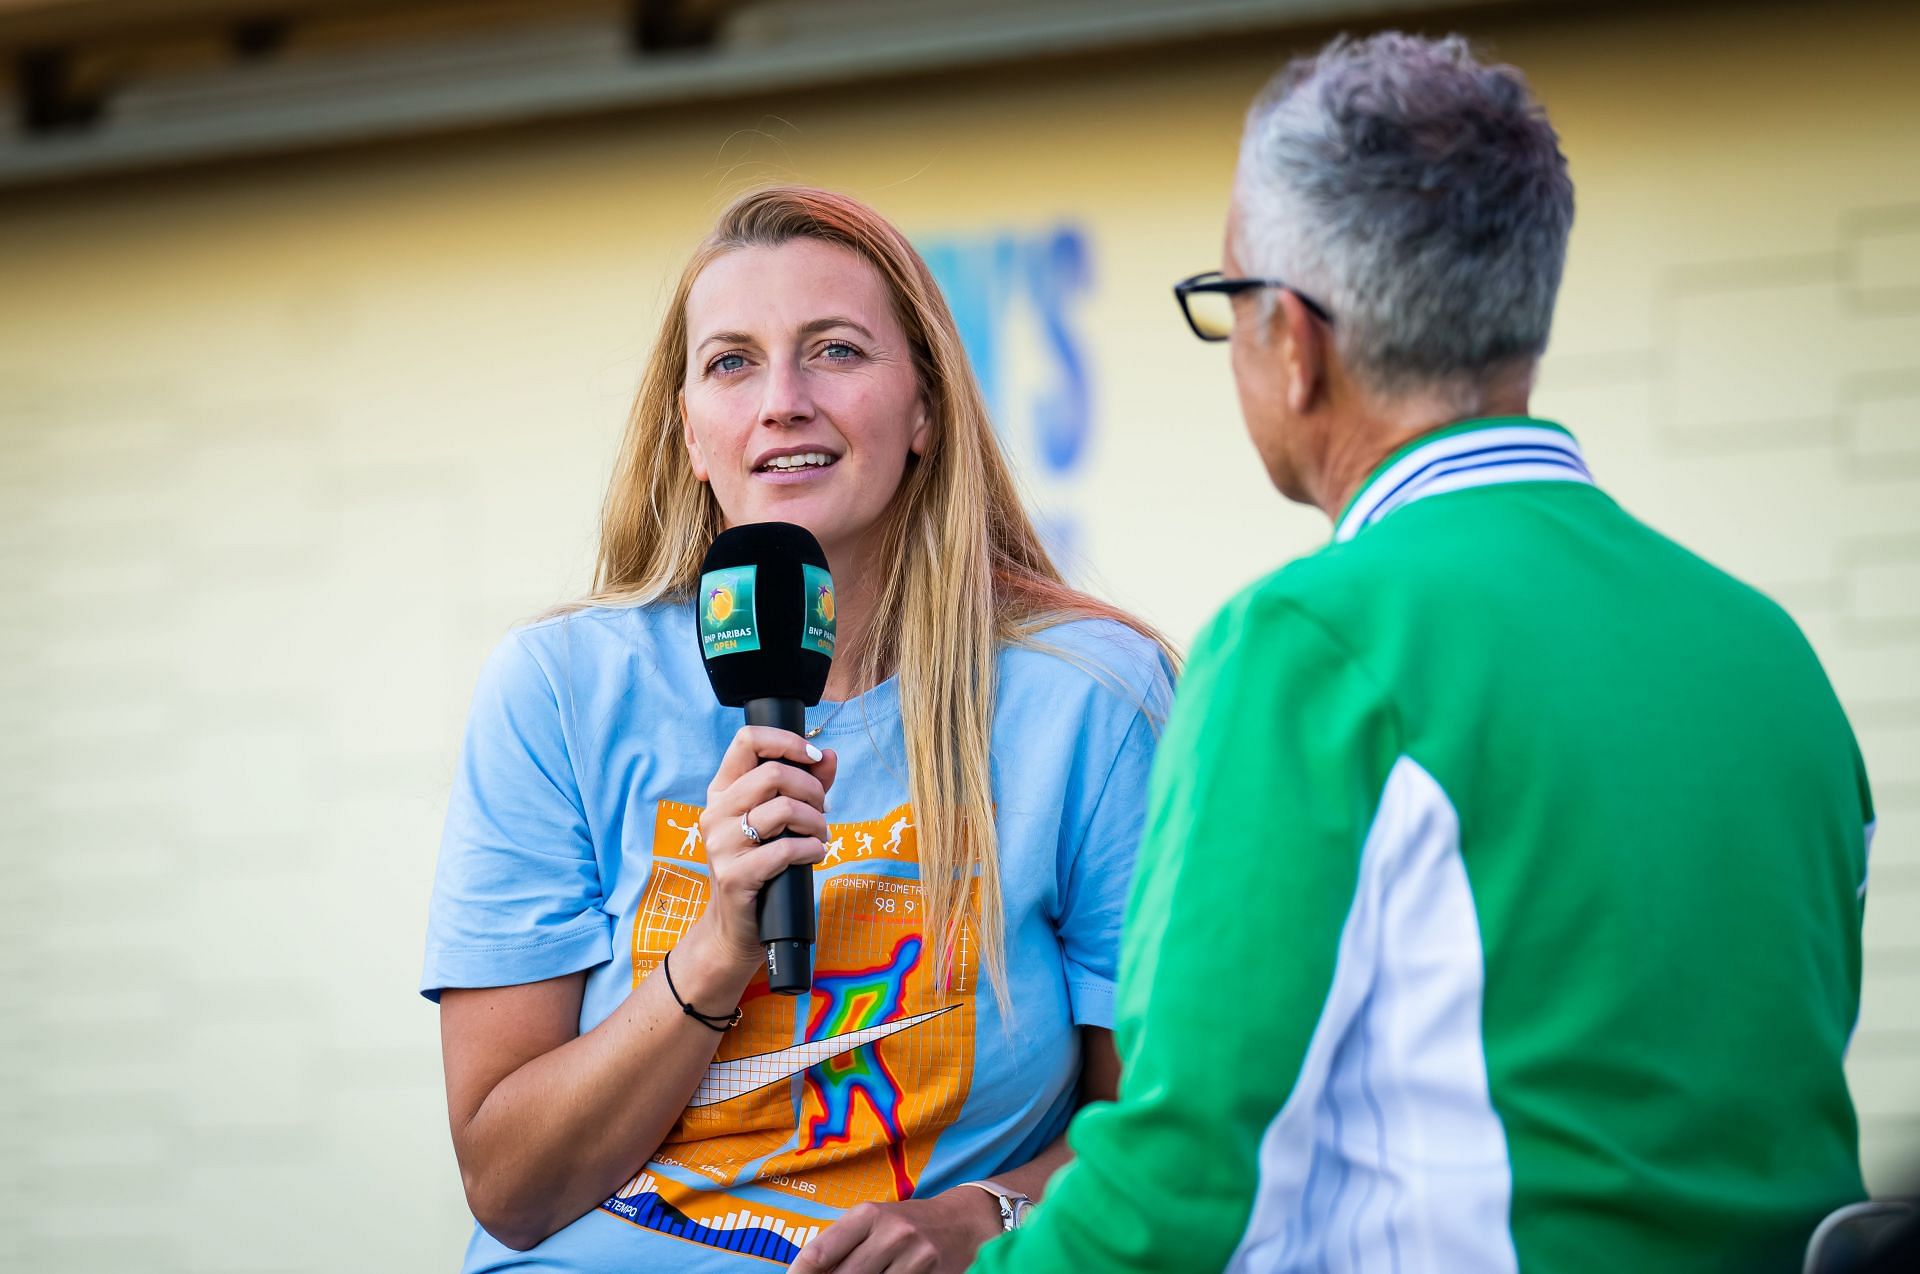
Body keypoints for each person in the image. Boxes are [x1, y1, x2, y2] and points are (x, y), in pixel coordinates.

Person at [975, 32, 1872, 1274]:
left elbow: (1181, 1183)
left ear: (1294, 341)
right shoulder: (1770, 653)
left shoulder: (1312, 643)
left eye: (1226, 301)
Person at [421, 186, 1173, 1272]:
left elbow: (1160, 1132)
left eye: (834, 350)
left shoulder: (1090, 698)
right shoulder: (560, 688)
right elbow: (510, 1182)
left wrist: (991, 1216)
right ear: (689, 432)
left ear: (925, 410)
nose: (782, 401)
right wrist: (718, 947)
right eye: (732, 362)